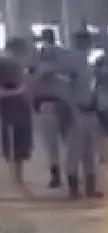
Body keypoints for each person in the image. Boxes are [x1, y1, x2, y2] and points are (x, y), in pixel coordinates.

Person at [65, 29, 101, 198]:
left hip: (90, 112)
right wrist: (73, 110)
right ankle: (73, 190)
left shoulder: (88, 63)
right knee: (75, 151)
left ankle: (90, 188)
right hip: (77, 112)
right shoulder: (72, 63)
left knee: (89, 152)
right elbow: (66, 90)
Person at [33, 28, 67, 188]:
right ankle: (65, 174)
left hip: (50, 104)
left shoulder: (43, 64)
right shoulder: (62, 60)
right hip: (61, 104)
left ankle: (57, 176)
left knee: (52, 144)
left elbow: (37, 82)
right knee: (61, 143)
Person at [0, 37, 33, 188]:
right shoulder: (4, 64)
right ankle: (14, 178)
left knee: (21, 145)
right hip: (9, 109)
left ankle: (17, 177)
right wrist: (18, 91)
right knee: (12, 144)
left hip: (21, 109)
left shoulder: (20, 66)